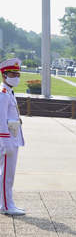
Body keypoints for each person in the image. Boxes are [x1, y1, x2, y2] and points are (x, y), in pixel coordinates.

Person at [0, 59, 26, 215]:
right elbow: (1, 121)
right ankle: (6, 206)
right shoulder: (3, 95)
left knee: (8, 174)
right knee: (6, 175)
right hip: (7, 140)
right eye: (13, 74)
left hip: (12, 137)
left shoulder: (8, 93)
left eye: (18, 74)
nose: (16, 77)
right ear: (4, 75)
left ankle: (8, 202)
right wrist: (6, 143)